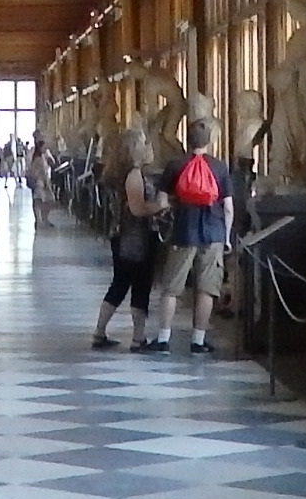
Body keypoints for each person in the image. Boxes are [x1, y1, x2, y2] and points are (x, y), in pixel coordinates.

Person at [141, 117, 229, 355]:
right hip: (213, 233)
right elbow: (228, 207)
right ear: (209, 141)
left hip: (183, 232)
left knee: (171, 287)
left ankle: (163, 338)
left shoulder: (175, 165)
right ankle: (198, 341)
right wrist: (227, 237)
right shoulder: (220, 167)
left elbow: (161, 201)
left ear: (187, 140)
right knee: (206, 288)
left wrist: (168, 207)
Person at [91, 134, 163, 350]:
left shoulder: (121, 172)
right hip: (135, 236)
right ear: (135, 149)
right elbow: (137, 209)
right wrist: (160, 206)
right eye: (144, 143)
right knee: (139, 285)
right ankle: (137, 338)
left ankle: (100, 332)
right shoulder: (133, 175)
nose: (148, 146)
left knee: (121, 283)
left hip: (123, 235)